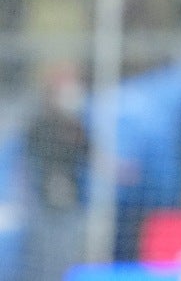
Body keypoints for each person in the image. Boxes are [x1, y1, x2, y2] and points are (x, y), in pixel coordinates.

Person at [23, 61, 90, 281]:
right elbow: (32, 162)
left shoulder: (77, 126)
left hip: (71, 204)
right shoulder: (40, 124)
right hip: (43, 205)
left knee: (68, 256)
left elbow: (91, 153)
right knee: (44, 258)